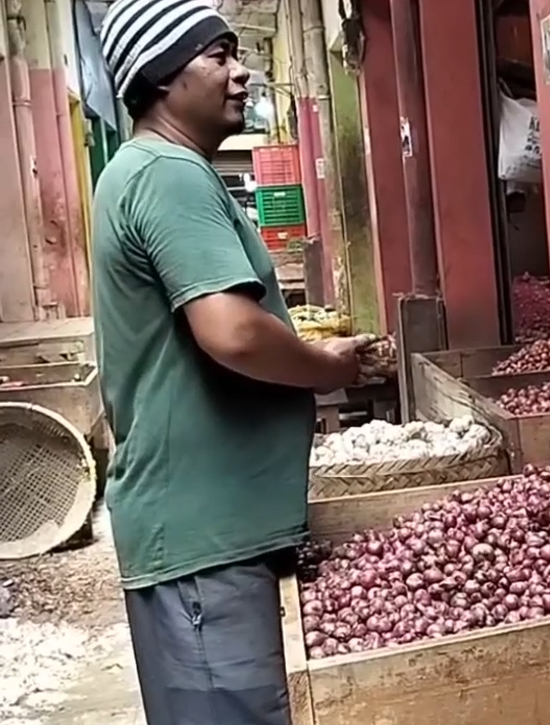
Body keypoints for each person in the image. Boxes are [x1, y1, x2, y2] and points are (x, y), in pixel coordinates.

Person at [93, 2, 370, 723]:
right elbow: (233, 332)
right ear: (159, 78)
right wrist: (327, 366)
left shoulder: (148, 170)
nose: (240, 71)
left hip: (205, 537)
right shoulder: (167, 175)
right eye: (216, 57)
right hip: (202, 548)